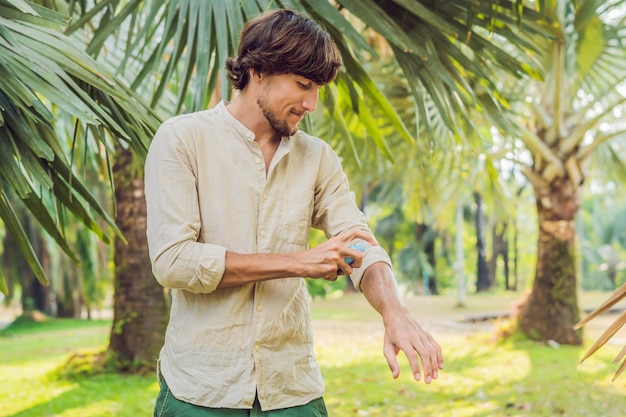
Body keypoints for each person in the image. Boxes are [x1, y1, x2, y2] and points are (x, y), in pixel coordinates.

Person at [145, 8, 443, 417]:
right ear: (258, 71)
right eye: (303, 85)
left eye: (318, 88)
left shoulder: (317, 157)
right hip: (201, 389)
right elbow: (173, 262)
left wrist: (395, 312)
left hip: (292, 390)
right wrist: (298, 263)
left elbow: (357, 241)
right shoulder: (182, 139)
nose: (312, 104)